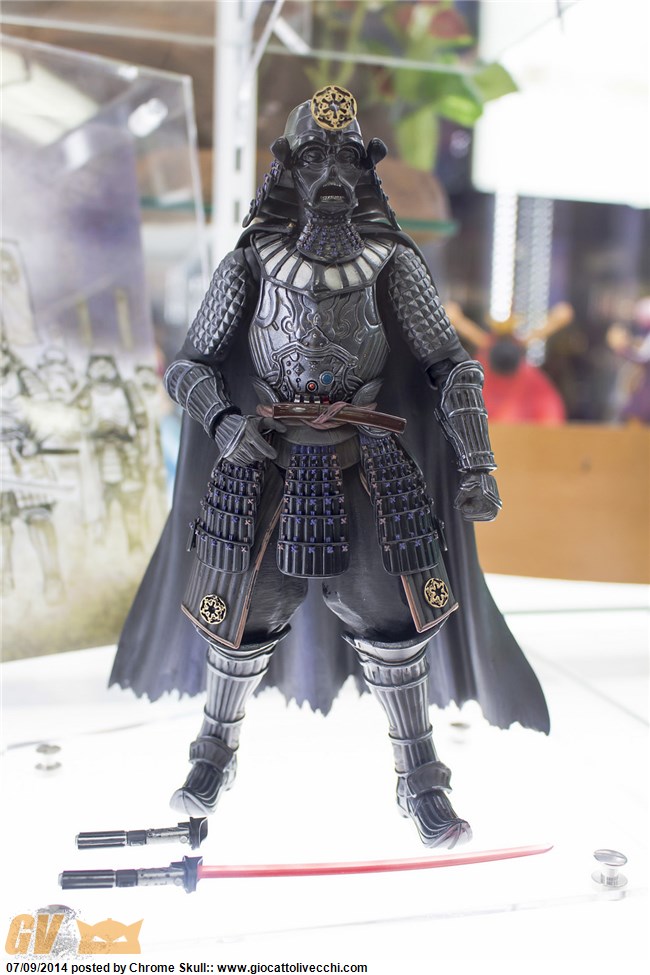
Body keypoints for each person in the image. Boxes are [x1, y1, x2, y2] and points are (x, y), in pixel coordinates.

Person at [111, 87, 549, 849]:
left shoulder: (393, 265)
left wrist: (478, 463)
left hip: (367, 460)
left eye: (348, 157)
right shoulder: (250, 264)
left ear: (365, 170)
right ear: (290, 168)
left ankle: (420, 777)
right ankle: (213, 752)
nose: (333, 174)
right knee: (237, 617)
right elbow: (189, 366)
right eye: (315, 156)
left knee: (395, 620)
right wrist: (224, 421)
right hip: (265, 463)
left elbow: (450, 365)